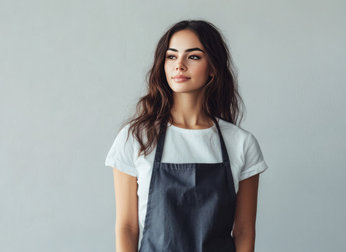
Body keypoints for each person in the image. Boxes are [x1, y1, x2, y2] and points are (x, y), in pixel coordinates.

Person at [105, 19, 269, 252]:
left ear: (213, 67)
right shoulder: (137, 138)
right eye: (171, 56)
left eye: (193, 56)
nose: (179, 65)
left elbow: (243, 231)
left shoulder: (241, 143)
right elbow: (127, 227)